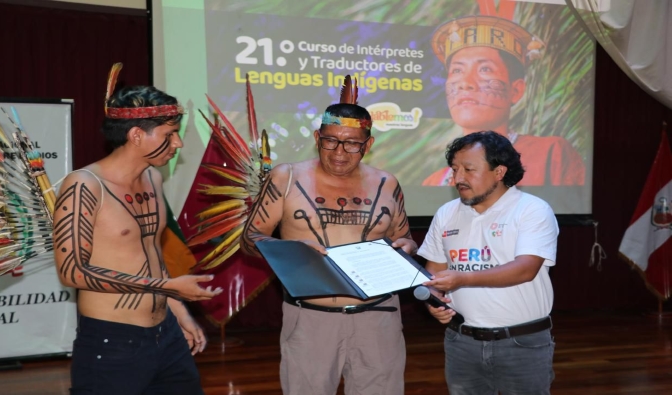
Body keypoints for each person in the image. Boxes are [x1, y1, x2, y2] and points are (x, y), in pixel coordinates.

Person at [241, 76, 417, 395]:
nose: (339, 152)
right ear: (316, 137)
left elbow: (405, 239)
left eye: (352, 143)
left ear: (369, 144)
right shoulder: (287, 177)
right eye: (330, 140)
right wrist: (292, 249)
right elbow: (250, 238)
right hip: (311, 318)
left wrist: (405, 247)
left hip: (378, 318)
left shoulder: (386, 183)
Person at [53, 70, 223, 395]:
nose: (179, 143)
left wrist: (179, 312)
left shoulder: (154, 178)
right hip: (113, 340)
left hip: (167, 334)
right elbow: (72, 272)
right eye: (170, 134)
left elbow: (152, 256)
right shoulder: (85, 186)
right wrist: (168, 286)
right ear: (135, 135)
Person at [418, 131, 558, 394]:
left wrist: (462, 279)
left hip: (521, 342)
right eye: (455, 169)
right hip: (461, 341)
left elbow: (526, 269)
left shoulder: (532, 209)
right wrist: (433, 300)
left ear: (499, 171)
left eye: (469, 169)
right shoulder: (446, 213)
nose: (458, 178)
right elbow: (433, 271)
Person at [422, 15, 585, 186]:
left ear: (516, 90)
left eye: (485, 69)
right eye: (456, 70)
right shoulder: (435, 182)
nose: (465, 83)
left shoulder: (551, 154)